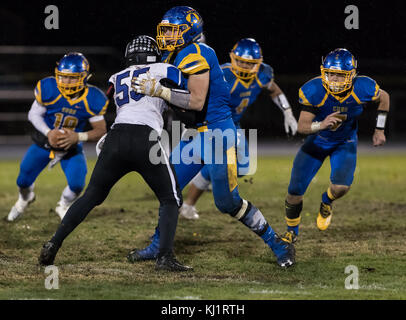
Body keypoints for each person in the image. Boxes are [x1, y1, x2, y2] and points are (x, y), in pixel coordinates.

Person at [131, 6, 295, 268]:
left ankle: (278, 244)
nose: (167, 36)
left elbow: (195, 102)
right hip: (194, 135)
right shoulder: (173, 53)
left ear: (190, 32)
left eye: (173, 30)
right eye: (166, 30)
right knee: (168, 189)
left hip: (217, 134)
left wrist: (159, 91)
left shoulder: (198, 53)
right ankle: (157, 246)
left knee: (227, 202)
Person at [38, 36, 192, 272]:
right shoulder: (166, 69)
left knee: (91, 196)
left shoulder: (116, 77)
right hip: (146, 138)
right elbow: (185, 104)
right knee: (171, 198)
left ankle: (53, 243)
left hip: (116, 136)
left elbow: (110, 100)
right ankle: (164, 257)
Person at [179, 38, 298, 220]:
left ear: (258, 63)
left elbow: (275, 90)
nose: (243, 66)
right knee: (225, 166)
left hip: (233, 125)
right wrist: (193, 124)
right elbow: (196, 94)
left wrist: (287, 111)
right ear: (232, 58)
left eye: (249, 63)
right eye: (240, 61)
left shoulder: (263, 74)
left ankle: (205, 181)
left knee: (242, 167)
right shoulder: (222, 73)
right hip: (214, 125)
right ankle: (188, 204)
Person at [282, 48, 390, 243]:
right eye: (330, 74)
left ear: (351, 75)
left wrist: (379, 129)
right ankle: (291, 231)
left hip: (344, 142)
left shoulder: (363, 87)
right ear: (324, 72)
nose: (334, 80)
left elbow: (384, 97)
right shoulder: (314, 90)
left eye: (340, 76)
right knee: (294, 191)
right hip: (317, 143)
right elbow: (302, 126)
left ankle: (327, 200)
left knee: (341, 187)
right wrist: (321, 125)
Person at [7, 52, 107, 221]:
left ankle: (64, 204)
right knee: (23, 181)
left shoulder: (93, 98)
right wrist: (49, 132)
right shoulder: (49, 89)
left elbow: (100, 130)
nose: (66, 82)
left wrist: (78, 137)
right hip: (44, 143)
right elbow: (34, 115)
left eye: (72, 78)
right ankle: (24, 199)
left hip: (71, 148)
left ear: (84, 77)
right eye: (63, 77)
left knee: (77, 185)